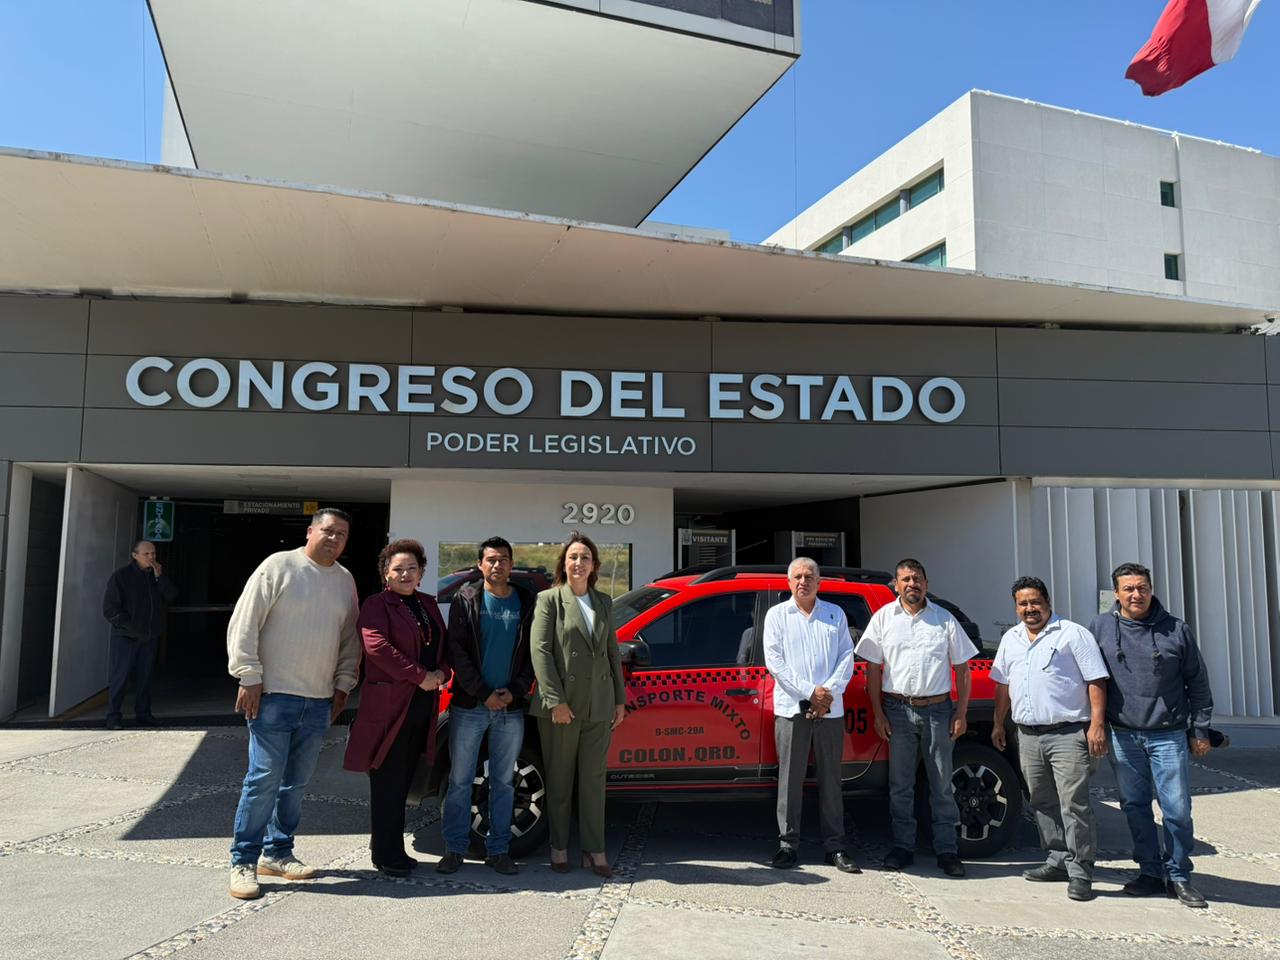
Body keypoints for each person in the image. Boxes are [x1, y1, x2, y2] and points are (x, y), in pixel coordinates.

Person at [224, 507, 361, 901]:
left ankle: (278, 853)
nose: (334, 539)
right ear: (310, 531)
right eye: (328, 531)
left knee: (295, 784)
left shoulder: (344, 580)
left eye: (342, 534)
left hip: (318, 700)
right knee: (262, 780)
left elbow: (349, 639)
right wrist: (248, 675)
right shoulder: (278, 566)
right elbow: (245, 621)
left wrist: (342, 685)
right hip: (272, 696)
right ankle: (243, 861)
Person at [1090, 562, 1214, 909]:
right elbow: (1090, 679)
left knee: (1177, 810)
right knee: (1135, 806)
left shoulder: (1177, 629)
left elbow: (1198, 682)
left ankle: (1179, 876)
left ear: (1151, 588)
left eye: (1142, 587)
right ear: (1116, 593)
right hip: (1123, 735)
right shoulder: (1099, 627)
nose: (1136, 594)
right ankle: (1148, 871)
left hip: (1168, 735)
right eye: (1128, 588)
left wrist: (1199, 728)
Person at [990, 576, 1108, 901]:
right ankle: (1057, 859)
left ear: (1048, 603)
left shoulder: (1073, 634)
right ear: (1016, 607)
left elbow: (1096, 680)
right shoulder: (1011, 639)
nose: (1030, 609)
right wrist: (998, 724)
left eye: (1035, 602)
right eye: (1023, 604)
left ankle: (1081, 871)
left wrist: (1097, 725)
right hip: (1027, 735)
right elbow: (1002, 685)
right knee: (1041, 801)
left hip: (1068, 733)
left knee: (1075, 804)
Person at [857, 558, 976, 877]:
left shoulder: (944, 619)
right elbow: (871, 668)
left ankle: (947, 850)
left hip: (938, 710)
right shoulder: (883, 619)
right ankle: (903, 847)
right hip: (897, 710)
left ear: (927, 582)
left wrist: (961, 713)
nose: (912, 584)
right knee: (901, 784)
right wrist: (878, 712)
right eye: (906, 579)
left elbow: (962, 669)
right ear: (896, 585)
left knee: (941, 784)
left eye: (918, 578)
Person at [344, 539, 449, 877]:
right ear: (385, 574)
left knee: (404, 780)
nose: (405, 574)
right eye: (398, 569)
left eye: (412, 568)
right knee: (388, 780)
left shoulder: (428, 605)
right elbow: (378, 648)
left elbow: (443, 647)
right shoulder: (377, 605)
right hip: (391, 707)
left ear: (421, 573)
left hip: (422, 705)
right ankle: (387, 855)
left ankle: (391, 850)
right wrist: (420, 675)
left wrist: (442, 673)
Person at [529, 531, 626, 877]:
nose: (579, 563)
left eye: (585, 557)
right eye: (573, 557)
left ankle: (594, 851)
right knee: (559, 781)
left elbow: (612, 653)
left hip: (599, 706)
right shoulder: (549, 600)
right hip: (562, 708)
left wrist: (619, 699)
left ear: (594, 565)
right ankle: (558, 847)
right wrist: (555, 700)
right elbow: (540, 652)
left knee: (593, 782)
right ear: (564, 563)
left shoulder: (603, 602)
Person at [439, 536, 535, 876]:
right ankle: (454, 849)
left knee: (504, 782)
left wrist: (517, 689)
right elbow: (458, 653)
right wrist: (484, 693)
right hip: (470, 706)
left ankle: (499, 850)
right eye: (491, 559)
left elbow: (532, 655)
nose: (497, 565)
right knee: (461, 780)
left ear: (511, 564)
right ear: (480, 564)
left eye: (504, 559)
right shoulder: (466, 599)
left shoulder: (526, 601)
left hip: (511, 707)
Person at [762, 557, 859, 873]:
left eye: (809, 576)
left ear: (819, 582)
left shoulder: (835, 614)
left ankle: (835, 847)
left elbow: (847, 656)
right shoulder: (777, 616)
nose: (803, 581)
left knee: (832, 781)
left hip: (830, 710)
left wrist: (826, 694)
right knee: (789, 781)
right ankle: (788, 846)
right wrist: (810, 694)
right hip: (792, 709)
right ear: (788, 583)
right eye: (797, 576)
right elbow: (775, 663)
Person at [101, 540, 177, 729]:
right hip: (126, 637)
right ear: (135, 556)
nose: (151, 558)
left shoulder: (155, 576)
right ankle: (113, 717)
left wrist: (160, 578)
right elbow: (110, 609)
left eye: (153, 554)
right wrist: (131, 628)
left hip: (149, 637)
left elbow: (171, 596)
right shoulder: (122, 577)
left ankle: (143, 714)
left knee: (145, 677)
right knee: (121, 677)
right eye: (146, 554)